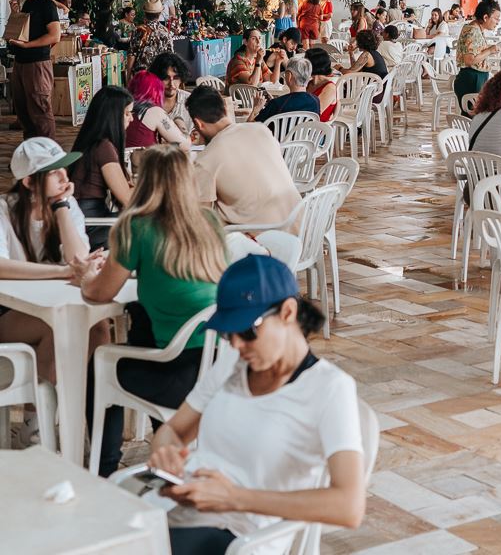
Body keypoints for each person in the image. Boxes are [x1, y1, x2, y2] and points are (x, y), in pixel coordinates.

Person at [145, 254, 365, 555]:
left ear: (288, 312)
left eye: (247, 331)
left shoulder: (330, 389)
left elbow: (349, 506)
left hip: (239, 535)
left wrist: (234, 498)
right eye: (227, 332)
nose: (236, 344)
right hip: (176, 512)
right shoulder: (231, 364)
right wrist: (165, 453)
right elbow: (173, 431)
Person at [81, 144, 228, 478]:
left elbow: (99, 293)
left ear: (144, 181)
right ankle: (169, 451)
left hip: (176, 371)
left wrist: (87, 275)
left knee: (99, 364)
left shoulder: (137, 226)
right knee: (142, 323)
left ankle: (102, 469)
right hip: (217, 364)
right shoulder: (209, 222)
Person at [0, 138, 105, 443]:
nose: (64, 176)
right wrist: (61, 272)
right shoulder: (5, 210)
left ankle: (89, 421)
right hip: (8, 314)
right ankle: (35, 423)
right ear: (29, 181)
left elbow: (80, 260)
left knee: (98, 328)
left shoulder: (67, 206)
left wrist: (60, 206)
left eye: (64, 168)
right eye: (54, 171)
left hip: (49, 306)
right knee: (55, 325)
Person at [187, 86, 301, 232]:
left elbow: (203, 221)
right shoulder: (262, 130)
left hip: (262, 243)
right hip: (300, 230)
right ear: (225, 110)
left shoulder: (206, 161)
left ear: (198, 124)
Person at [70, 85, 134, 250]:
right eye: (127, 113)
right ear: (112, 116)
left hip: (88, 220)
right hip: (92, 225)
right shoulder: (103, 147)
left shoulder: (91, 142)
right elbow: (127, 198)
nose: (131, 119)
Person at [6, 0, 61, 139]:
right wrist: (14, 14)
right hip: (21, 63)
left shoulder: (46, 4)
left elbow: (55, 36)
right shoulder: (27, 5)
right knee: (23, 112)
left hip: (37, 63)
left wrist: (28, 45)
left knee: (40, 111)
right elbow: (19, 33)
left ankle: (48, 157)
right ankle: (31, 153)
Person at [454, 0, 501, 113]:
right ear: (485, 17)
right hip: (472, 79)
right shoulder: (472, 31)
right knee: (474, 117)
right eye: (496, 18)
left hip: (475, 77)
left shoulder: (475, 29)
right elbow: (469, 60)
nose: (498, 22)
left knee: (474, 117)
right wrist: (489, 50)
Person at [125, 71, 192, 152]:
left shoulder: (123, 110)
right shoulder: (154, 111)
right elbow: (185, 145)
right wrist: (179, 121)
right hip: (144, 162)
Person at [250, 56, 320, 125]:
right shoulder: (315, 101)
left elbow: (249, 129)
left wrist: (255, 109)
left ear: (289, 76)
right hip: (306, 136)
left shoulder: (277, 104)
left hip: (277, 136)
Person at [127, 0, 173, 80]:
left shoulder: (138, 30)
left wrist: (128, 76)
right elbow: (170, 56)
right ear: (160, 13)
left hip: (141, 76)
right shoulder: (166, 32)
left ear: (145, 13)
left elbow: (132, 54)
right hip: (159, 75)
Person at [150, 51, 193, 134]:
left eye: (176, 78)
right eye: (166, 78)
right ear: (156, 79)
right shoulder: (147, 104)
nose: (171, 84)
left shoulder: (191, 101)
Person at [305, 47, 338, 123]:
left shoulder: (329, 87)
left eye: (306, 62)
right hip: (302, 126)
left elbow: (314, 113)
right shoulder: (309, 83)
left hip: (316, 130)